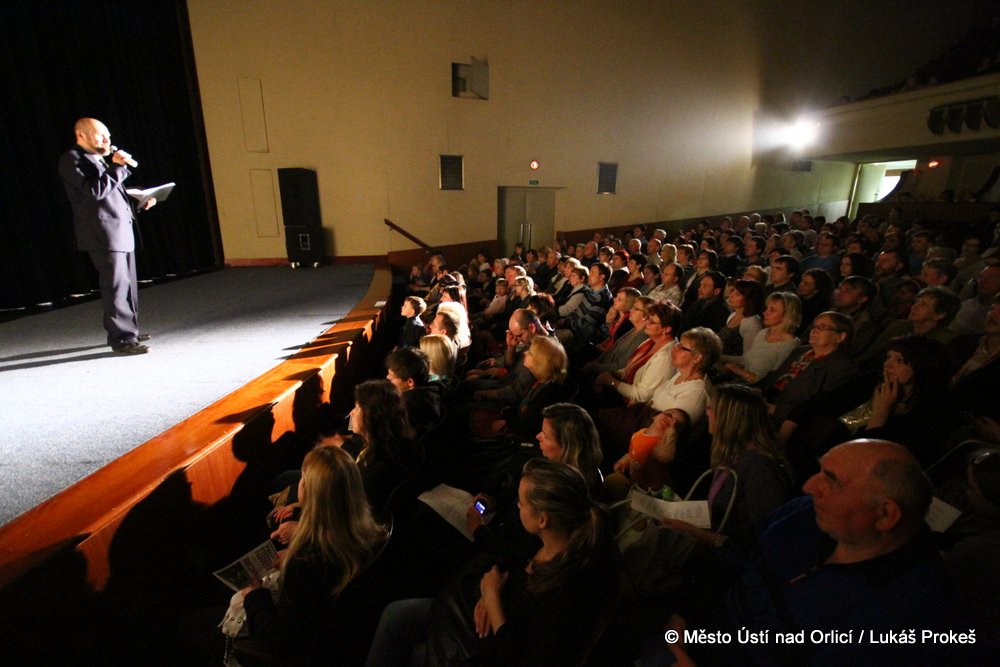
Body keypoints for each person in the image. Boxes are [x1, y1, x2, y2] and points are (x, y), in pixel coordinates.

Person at [662, 440, 977, 667]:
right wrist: (682, 613)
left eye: (832, 480)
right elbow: (734, 553)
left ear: (885, 515)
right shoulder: (807, 513)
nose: (809, 486)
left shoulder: (906, 616)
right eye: (820, 471)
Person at [368, 459, 618, 667]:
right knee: (395, 616)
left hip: (486, 646)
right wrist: (495, 584)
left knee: (412, 647)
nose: (517, 506)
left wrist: (493, 601)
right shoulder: (547, 539)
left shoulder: (568, 591)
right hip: (468, 618)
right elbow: (510, 556)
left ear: (542, 519)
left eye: (521, 502)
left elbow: (521, 658)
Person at [59, 118, 156, 354]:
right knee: (115, 288)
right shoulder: (72, 159)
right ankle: (121, 339)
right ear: (81, 135)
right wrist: (118, 167)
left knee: (128, 286)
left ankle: (129, 331)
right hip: (103, 234)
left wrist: (140, 201)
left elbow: (111, 196)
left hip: (121, 231)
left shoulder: (100, 160)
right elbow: (95, 191)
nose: (106, 140)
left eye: (108, 136)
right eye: (100, 135)